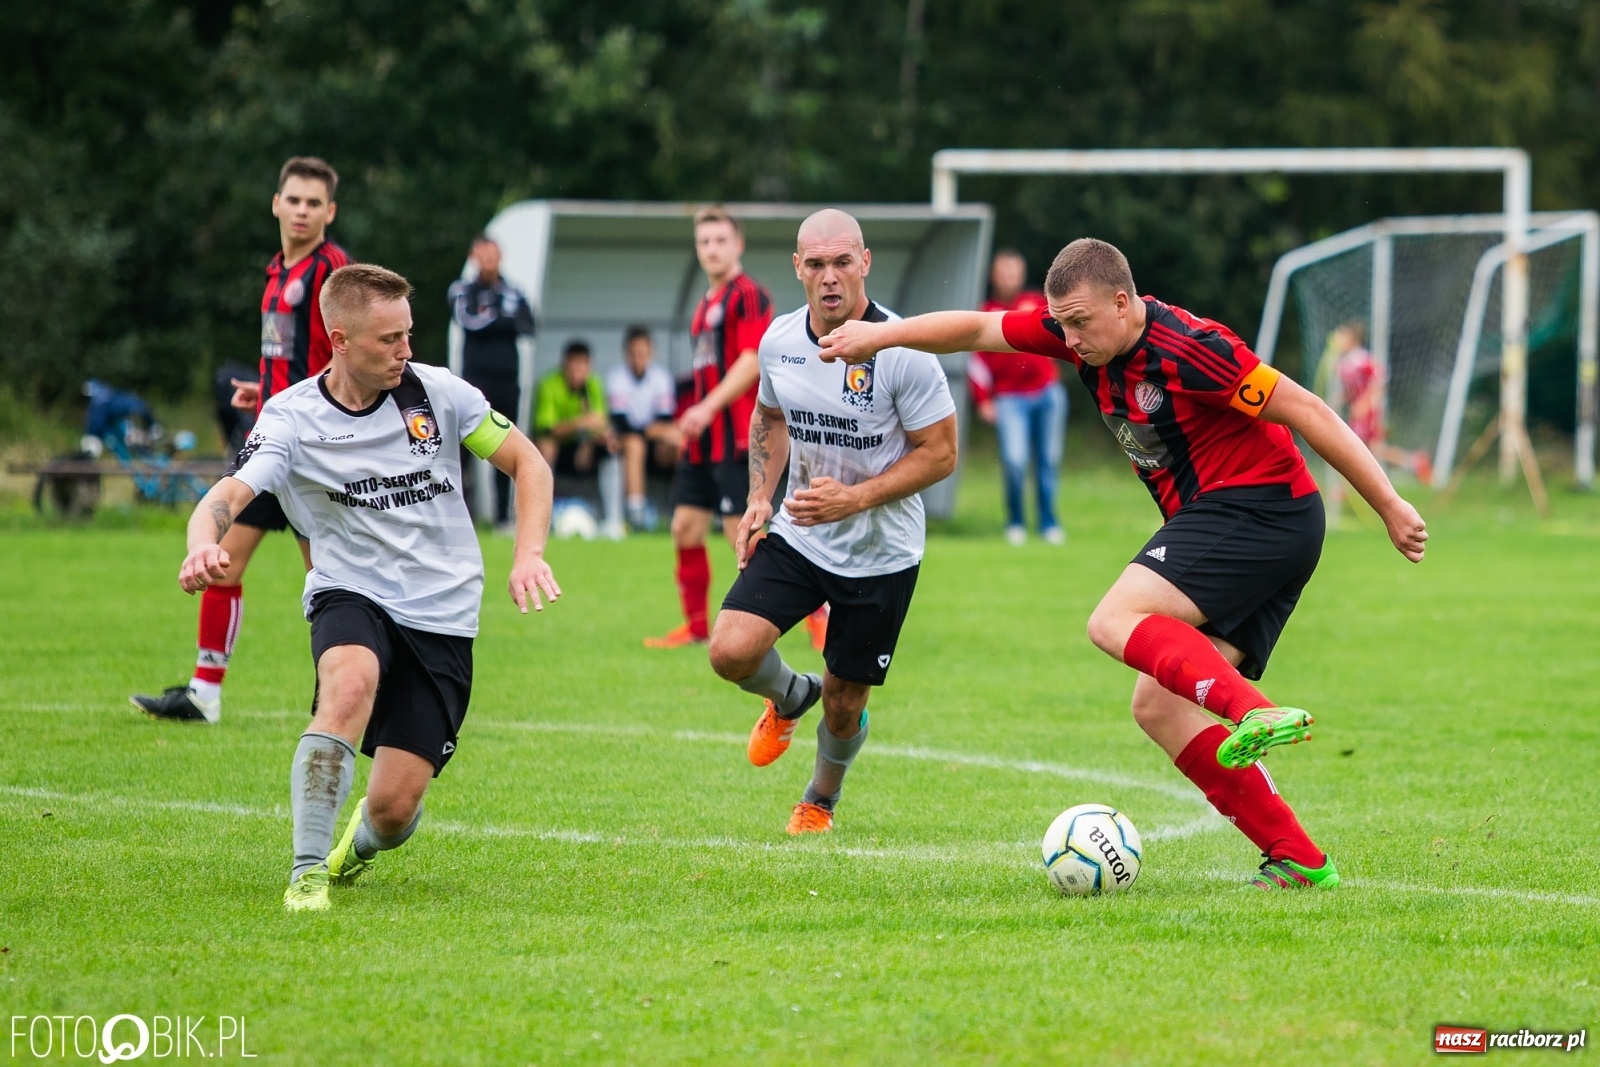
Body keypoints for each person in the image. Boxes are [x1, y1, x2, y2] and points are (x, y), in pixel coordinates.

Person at [819, 237, 1428, 889]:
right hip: (1255, 522)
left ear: (1122, 300)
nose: (1070, 338)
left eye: (1080, 322)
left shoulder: (1193, 348)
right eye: (1062, 324)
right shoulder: (1075, 332)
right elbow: (976, 326)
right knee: (1158, 706)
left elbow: (1306, 408)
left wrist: (1388, 503)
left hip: (1259, 509)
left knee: (1114, 618)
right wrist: (880, 336)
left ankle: (1251, 709)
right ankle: (1300, 859)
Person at [176, 264, 560, 912]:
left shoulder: (438, 394)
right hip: (349, 589)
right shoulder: (292, 418)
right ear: (340, 341)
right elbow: (228, 495)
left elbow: (528, 462)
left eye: (408, 334)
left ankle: (358, 843)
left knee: (393, 809)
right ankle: (305, 873)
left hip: (442, 611)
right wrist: (200, 545)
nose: (405, 351)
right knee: (347, 683)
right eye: (389, 340)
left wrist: (529, 554)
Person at [709, 209, 957, 835]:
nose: (829, 277)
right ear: (796, 267)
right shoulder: (780, 341)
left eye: (842, 261)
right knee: (731, 651)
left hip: (882, 551)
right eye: (815, 263)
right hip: (800, 530)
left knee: (846, 706)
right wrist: (758, 498)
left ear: (865, 262)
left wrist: (856, 498)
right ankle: (791, 696)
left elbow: (942, 453)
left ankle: (819, 799)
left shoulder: (903, 350)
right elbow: (768, 418)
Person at [132, 156, 353, 724]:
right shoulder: (277, 270)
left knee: (330, 580)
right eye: (293, 200)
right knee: (223, 565)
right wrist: (266, 389)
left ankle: (342, 691)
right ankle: (205, 693)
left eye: (313, 203)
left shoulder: (333, 270)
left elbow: (347, 355)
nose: (301, 211)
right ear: (276, 204)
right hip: (268, 441)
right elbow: (294, 355)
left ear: (330, 212)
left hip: (314, 449)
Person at [969, 249, 1068, 545]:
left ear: (1022, 275)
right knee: (1015, 460)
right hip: (1009, 399)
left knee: (1048, 460)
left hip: (1047, 393)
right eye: (1004, 272)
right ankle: (1015, 522)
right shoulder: (984, 313)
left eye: (1014, 272)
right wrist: (983, 399)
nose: (1010, 278)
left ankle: (1049, 522)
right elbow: (976, 362)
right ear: (993, 277)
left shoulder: (1038, 303)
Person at [449, 234, 536, 527]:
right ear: (474, 257)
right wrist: (504, 319)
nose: (489, 261)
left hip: (507, 380)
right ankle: (463, 515)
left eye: (493, 255)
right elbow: (469, 321)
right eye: (483, 256)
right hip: (474, 381)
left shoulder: (514, 290)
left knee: (506, 444)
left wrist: (495, 317)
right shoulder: (462, 289)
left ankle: (503, 518)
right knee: (466, 448)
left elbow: (528, 324)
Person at [1324, 322, 1433, 485]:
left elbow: (1380, 381)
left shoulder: (1361, 359)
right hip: (1357, 413)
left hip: (1368, 413)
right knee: (1372, 449)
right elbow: (1350, 391)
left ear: (1353, 339)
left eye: (1343, 335)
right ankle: (1413, 463)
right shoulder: (1343, 364)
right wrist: (1334, 402)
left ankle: (1347, 487)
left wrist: (1365, 404)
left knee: (1356, 448)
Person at [605, 325, 680, 530]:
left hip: (655, 443)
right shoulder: (616, 377)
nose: (638, 358)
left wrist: (656, 431)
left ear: (651, 353)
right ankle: (636, 513)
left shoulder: (661, 377)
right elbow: (621, 423)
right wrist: (651, 430)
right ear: (626, 354)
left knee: (677, 441)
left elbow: (665, 418)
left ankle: (682, 509)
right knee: (634, 444)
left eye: (642, 353)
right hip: (626, 442)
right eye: (634, 353)